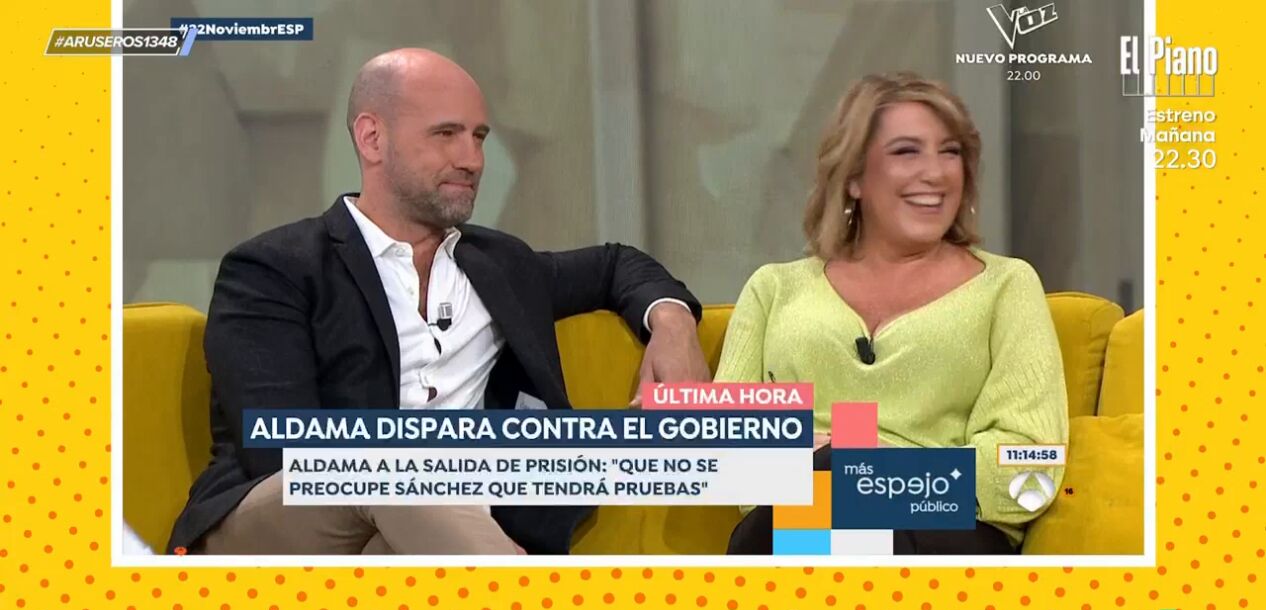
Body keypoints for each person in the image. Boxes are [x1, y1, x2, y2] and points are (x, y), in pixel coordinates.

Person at [166, 48, 711, 557]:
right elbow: (282, 450)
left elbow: (617, 265)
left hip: (424, 537)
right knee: (385, 464)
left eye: (479, 137)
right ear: (372, 138)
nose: (472, 159)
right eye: (446, 134)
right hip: (279, 525)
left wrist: (672, 323)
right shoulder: (274, 268)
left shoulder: (502, 267)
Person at [717, 72, 1068, 555]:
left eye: (950, 152)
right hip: (796, 522)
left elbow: (1029, 465)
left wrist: (885, 470)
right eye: (907, 152)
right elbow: (728, 450)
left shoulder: (1007, 286)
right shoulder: (774, 289)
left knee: (842, 491)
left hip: (942, 531)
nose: (936, 173)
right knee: (823, 500)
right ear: (854, 177)